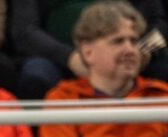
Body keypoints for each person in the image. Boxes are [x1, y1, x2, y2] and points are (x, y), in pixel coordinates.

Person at [39, 1, 168, 137]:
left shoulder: (161, 97)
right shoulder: (63, 101)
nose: (130, 50)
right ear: (88, 52)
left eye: (133, 41)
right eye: (118, 41)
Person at [11, 0, 168, 101]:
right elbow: (24, 31)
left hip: (135, 54)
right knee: (36, 74)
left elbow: (160, 23)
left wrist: (139, 51)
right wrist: (69, 58)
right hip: (59, 59)